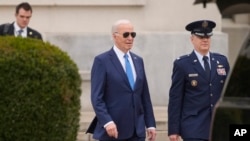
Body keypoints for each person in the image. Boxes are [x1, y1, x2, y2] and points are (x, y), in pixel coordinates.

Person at [87, 19, 156, 141]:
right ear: (115, 36)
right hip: (113, 131)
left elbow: (144, 96)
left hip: (137, 131)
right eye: (126, 34)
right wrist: (107, 122)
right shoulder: (102, 61)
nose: (130, 38)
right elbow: (97, 97)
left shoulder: (138, 60)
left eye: (132, 34)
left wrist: (150, 124)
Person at [168, 20, 230, 141]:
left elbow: (228, 94)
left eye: (207, 37)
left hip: (218, 126)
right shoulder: (182, 64)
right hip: (193, 127)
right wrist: (173, 130)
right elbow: (175, 99)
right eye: (200, 37)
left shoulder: (221, 61)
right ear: (192, 39)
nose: (205, 40)